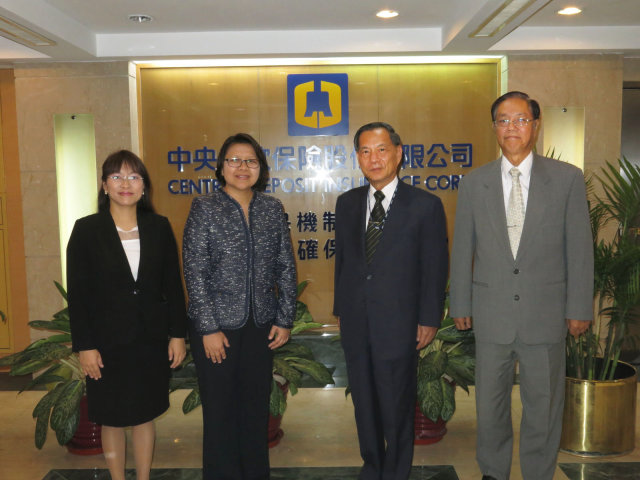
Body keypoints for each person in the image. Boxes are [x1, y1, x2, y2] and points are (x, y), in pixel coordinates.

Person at [449, 91, 594, 480]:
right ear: (494, 127)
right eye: (503, 120)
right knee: (490, 405)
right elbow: (463, 248)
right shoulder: (474, 182)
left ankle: (538, 473)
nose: (511, 127)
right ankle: (493, 472)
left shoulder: (566, 180)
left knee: (544, 406)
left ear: (535, 124)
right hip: (491, 312)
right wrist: (459, 302)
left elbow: (579, 248)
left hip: (545, 315)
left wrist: (579, 307)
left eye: (520, 119)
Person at [333, 122, 449, 480]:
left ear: (398, 153)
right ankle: (372, 467)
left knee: (397, 404)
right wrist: (341, 310)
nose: (374, 158)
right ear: (357, 158)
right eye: (366, 151)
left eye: (382, 149)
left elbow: (435, 267)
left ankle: (397, 472)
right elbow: (344, 264)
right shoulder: (347, 203)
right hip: (356, 321)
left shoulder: (426, 205)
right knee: (364, 404)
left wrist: (429, 318)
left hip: (401, 324)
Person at [183, 133, 297, 480]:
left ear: (260, 168)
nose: (242, 167)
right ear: (221, 168)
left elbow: (285, 265)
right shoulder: (205, 208)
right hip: (217, 330)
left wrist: (285, 317)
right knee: (219, 414)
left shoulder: (271, 208)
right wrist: (208, 328)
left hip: (260, 326)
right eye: (234, 160)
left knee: (254, 411)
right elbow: (194, 269)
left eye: (250, 161)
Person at [67, 150, 187, 480]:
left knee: (145, 414)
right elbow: (78, 295)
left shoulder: (159, 227)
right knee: (111, 417)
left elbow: (173, 286)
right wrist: (85, 346)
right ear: (104, 185)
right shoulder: (86, 230)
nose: (125, 184)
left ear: (144, 187)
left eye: (134, 177)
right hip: (106, 344)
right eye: (117, 177)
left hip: (149, 340)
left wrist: (178, 334)